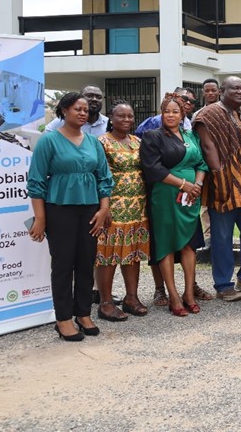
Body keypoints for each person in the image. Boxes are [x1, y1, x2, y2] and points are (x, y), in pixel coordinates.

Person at [26, 92, 113, 341]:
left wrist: (104, 209)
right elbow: (36, 182)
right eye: (78, 109)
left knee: (86, 262)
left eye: (86, 109)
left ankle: (83, 313)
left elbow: (104, 178)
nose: (83, 113)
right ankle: (63, 318)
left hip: (90, 210)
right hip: (59, 209)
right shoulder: (49, 141)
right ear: (64, 111)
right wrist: (40, 219)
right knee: (63, 265)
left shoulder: (93, 142)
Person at [192, 76, 241, 301]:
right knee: (222, 237)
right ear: (222, 91)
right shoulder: (208, 114)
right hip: (221, 185)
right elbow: (208, 145)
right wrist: (220, 174)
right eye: (235, 88)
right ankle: (223, 285)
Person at [140, 94, 208, 316]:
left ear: (182, 115)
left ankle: (189, 293)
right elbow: (153, 169)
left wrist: (196, 185)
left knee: (189, 244)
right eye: (167, 111)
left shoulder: (191, 136)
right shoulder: (153, 136)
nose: (170, 115)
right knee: (167, 244)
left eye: (175, 112)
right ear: (162, 113)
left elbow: (201, 163)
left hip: (190, 198)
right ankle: (173, 296)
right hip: (166, 196)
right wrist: (183, 185)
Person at [96, 102, 151, 321]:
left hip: (137, 207)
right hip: (113, 208)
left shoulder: (138, 141)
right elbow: (99, 175)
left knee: (133, 253)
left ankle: (131, 298)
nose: (126, 120)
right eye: (121, 116)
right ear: (111, 117)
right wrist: (104, 206)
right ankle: (106, 303)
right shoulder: (102, 142)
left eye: (130, 116)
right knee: (107, 255)